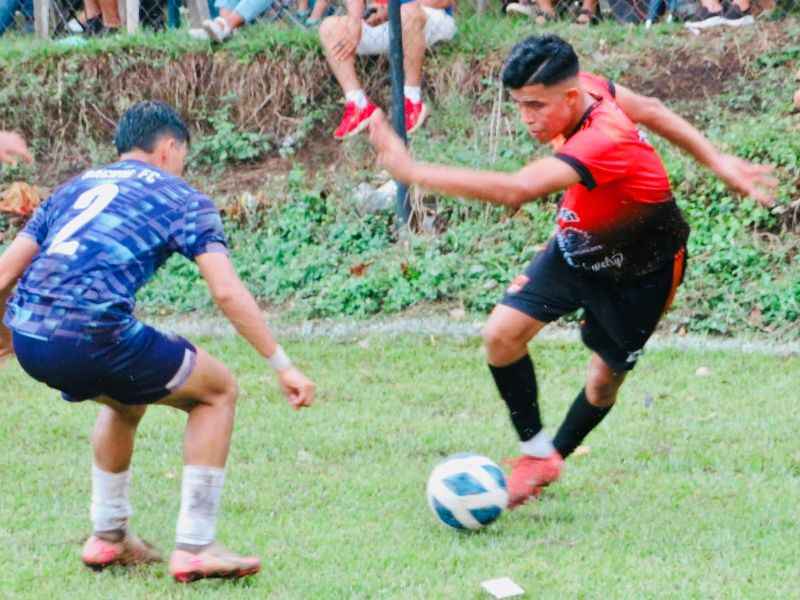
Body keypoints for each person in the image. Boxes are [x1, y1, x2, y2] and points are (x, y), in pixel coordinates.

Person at [368, 34, 776, 508]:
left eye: (536, 106)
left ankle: (555, 455)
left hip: (643, 272)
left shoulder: (607, 136)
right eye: (519, 105)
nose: (527, 118)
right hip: (577, 247)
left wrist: (412, 171)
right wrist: (719, 161)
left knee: (603, 383)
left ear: (568, 97)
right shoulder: (584, 86)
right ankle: (536, 454)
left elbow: (516, 189)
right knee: (501, 335)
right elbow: (657, 109)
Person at [0, 101, 316, 581]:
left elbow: (6, 271)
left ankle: (109, 537)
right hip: (90, 333)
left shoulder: (73, 188)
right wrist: (282, 364)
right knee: (218, 391)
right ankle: (196, 545)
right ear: (170, 148)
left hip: (31, 337)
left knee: (125, 400)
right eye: (183, 153)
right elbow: (227, 290)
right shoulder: (182, 197)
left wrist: (10, 337)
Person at [319, 0, 456, 140]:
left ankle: (412, 101)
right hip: (384, 20)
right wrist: (356, 22)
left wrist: (391, 9)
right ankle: (358, 104)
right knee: (329, 27)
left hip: (429, 18)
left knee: (408, 11)